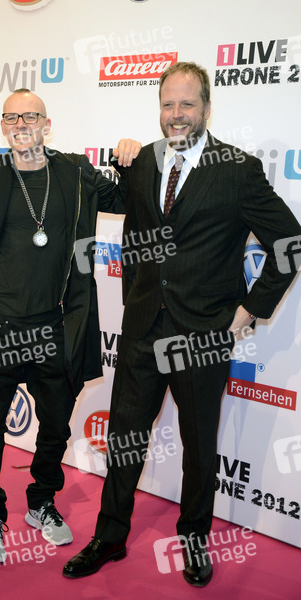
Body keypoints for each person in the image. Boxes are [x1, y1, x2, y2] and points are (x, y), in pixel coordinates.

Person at [63, 62, 301, 587]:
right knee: (125, 439)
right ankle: (109, 535)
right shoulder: (145, 162)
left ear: (207, 109)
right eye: (168, 104)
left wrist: (249, 310)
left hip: (203, 334)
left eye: (187, 104)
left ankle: (194, 538)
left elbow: (289, 243)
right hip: (142, 329)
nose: (176, 114)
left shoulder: (237, 170)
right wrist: (121, 160)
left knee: (198, 446)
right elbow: (125, 224)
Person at [0, 88, 140, 565]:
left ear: (47, 124)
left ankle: (42, 501)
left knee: (56, 427)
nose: (22, 125)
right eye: (12, 117)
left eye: (31, 116)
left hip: (56, 327)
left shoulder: (76, 172)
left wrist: (127, 162)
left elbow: (128, 201)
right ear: (3, 126)